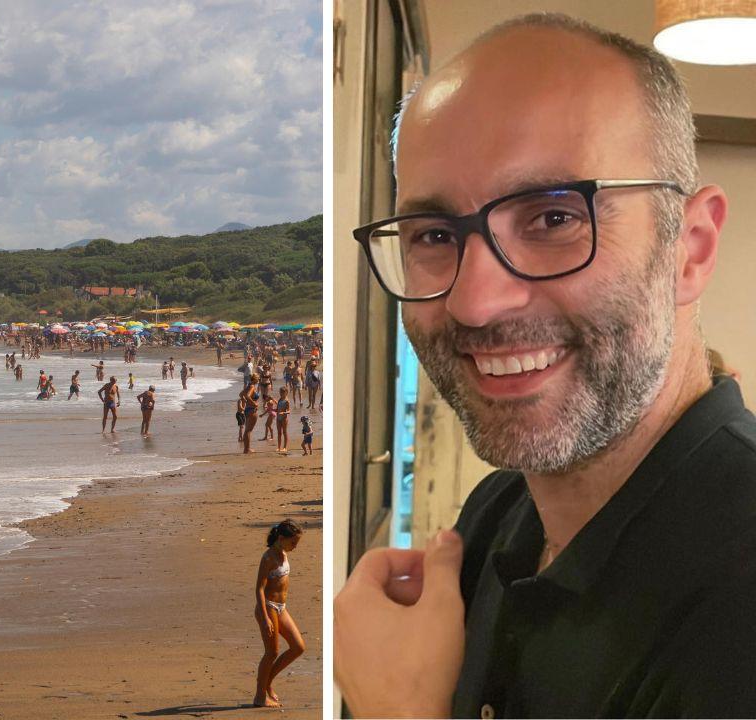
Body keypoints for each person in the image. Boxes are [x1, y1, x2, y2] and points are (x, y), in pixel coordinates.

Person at [333, 14, 756, 719]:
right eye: (434, 235)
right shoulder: (497, 514)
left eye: (555, 218)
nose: (476, 302)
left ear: (691, 248)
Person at [254, 520, 305, 708]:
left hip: (281, 607)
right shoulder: (268, 557)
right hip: (267, 607)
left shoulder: (283, 552)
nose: (295, 547)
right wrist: (265, 618)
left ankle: (267, 682)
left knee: (298, 647)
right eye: (293, 543)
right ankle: (260, 696)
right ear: (281, 539)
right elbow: (259, 589)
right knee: (272, 652)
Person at [241, 377, 260, 453]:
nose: (259, 380)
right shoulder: (252, 386)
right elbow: (247, 396)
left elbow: (241, 394)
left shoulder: (249, 386)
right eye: (258, 378)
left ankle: (246, 448)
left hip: (247, 409)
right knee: (248, 430)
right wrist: (254, 403)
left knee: (247, 430)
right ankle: (247, 449)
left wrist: (246, 402)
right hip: (252, 410)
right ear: (254, 379)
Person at [275, 387, 291, 453]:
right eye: (280, 392)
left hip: (284, 418)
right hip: (278, 418)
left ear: (286, 393)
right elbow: (277, 409)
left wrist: (283, 412)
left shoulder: (287, 401)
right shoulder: (279, 399)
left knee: (284, 432)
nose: (281, 394)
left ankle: (285, 447)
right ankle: (278, 447)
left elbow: (289, 411)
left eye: (282, 392)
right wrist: (271, 409)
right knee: (279, 433)